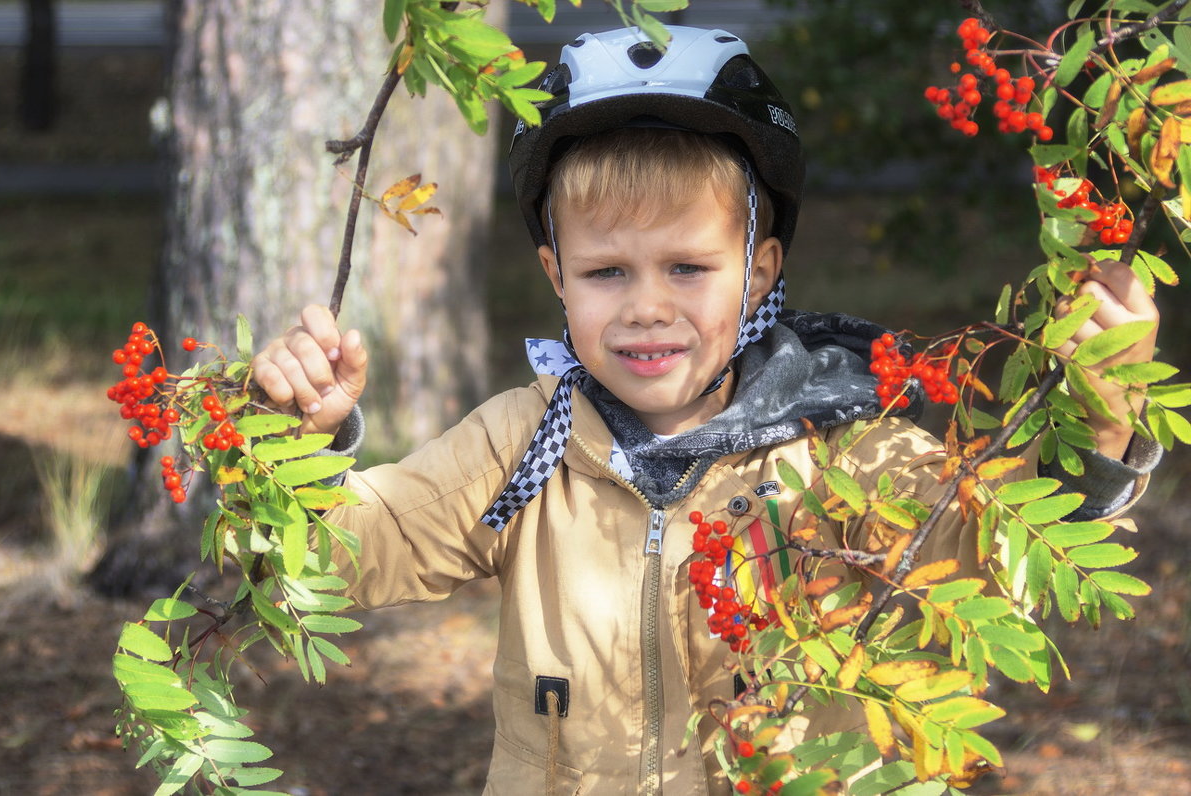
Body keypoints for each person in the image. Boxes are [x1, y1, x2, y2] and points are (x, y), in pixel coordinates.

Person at [251, 26, 1161, 795]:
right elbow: (345, 557)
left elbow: (1009, 559)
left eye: (688, 268)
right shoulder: (524, 441)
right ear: (555, 277)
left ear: (759, 270)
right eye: (608, 272)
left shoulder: (845, 446)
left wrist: (1104, 418)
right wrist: (296, 449)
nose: (647, 307)